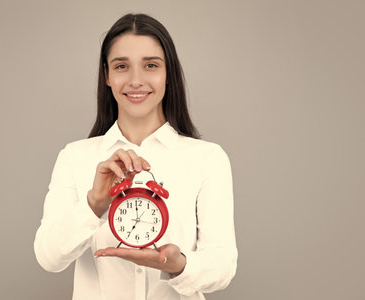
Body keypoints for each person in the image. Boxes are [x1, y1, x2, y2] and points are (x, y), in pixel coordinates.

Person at [34, 13, 237, 300]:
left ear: (169, 73)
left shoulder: (206, 158)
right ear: (107, 75)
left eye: (151, 65)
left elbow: (223, 265)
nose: (136, 80)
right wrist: (93, 204)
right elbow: (49, 257)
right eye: (121, 66)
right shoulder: (75, 158)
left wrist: (179, 265)